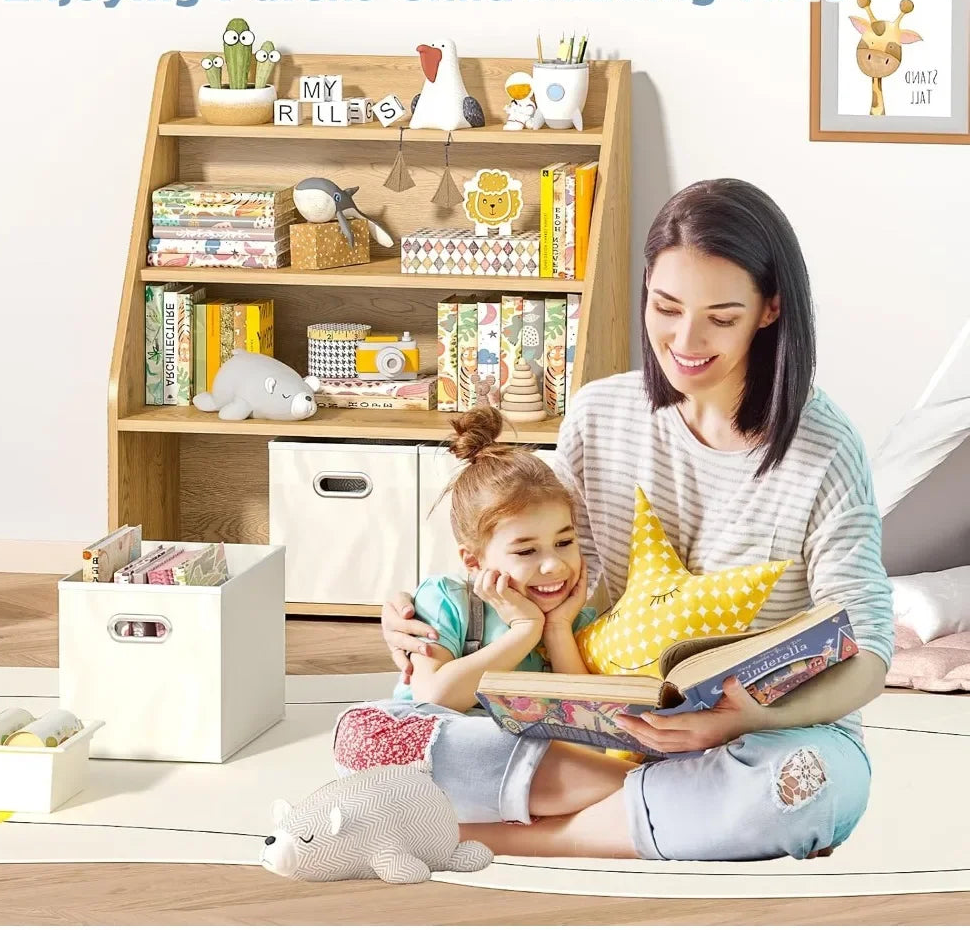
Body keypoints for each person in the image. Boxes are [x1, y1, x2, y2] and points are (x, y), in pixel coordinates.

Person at [379, 178, 894, 862]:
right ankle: (652, 810)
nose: (685, 340)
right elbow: (543, 571)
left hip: (761, 736)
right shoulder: (602, 413)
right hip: (594, 715)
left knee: (801, 788)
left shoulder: (824, 449)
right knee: (383, 734)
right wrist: (425, 621)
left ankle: (476, 835)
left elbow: (871, 656)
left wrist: (749, 718)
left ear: (770, 310)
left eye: (721, 316)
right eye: (666, 306)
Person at [332, 405, 642, 825]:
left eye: (565, 542)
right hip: (428, 759)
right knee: (377, 731)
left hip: (515, 766)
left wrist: (555, 631)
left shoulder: (575, 625)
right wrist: (524, 631)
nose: (552, 566)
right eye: (526, 551)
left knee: (599, 766)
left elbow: (587, 728)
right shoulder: (448, 600)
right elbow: (434, 698)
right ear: (474, 561)